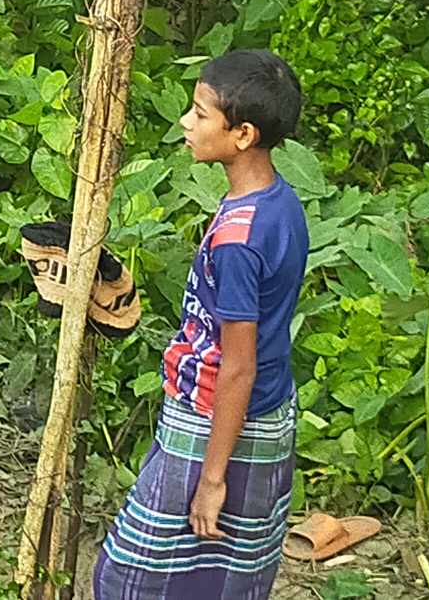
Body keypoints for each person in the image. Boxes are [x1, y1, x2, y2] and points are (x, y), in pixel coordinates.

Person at [94, 50, 307, 600]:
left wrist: (212, 480)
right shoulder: (279, 204)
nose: (186, 124)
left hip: (216, 418)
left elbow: (238, 364)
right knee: (230, 576)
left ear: (242, 135)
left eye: (199, 113)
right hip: (268, 414)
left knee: (125, 578)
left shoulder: (238, 240)